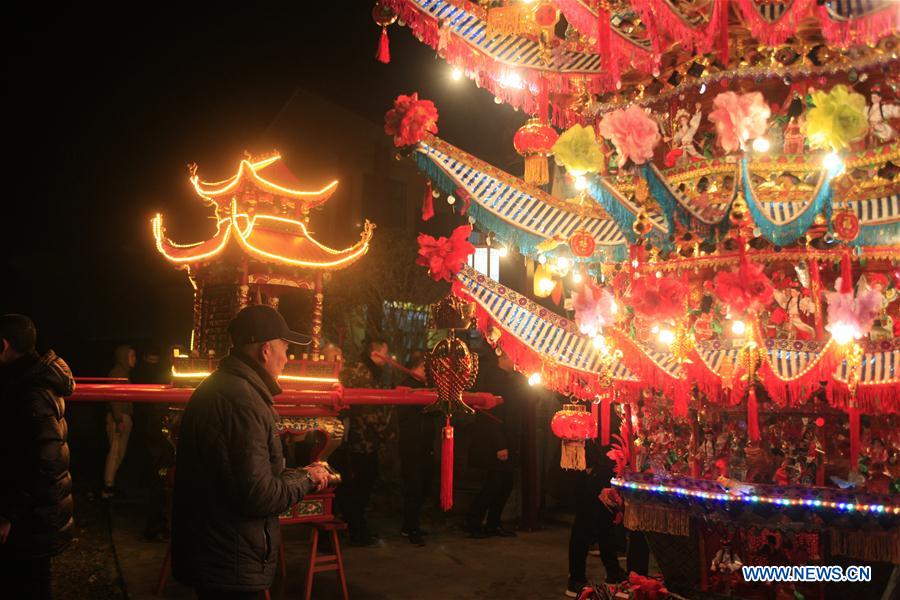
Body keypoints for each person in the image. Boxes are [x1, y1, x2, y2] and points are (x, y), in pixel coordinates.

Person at [172, 304, 334, 599]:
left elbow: (249, 475)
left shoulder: (228, 388)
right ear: (265, 350)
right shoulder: (242, 401)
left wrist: (299, 474)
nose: (287, 358)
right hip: (229, 558)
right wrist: (308, 480)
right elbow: (258, 495)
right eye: (285, 348)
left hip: (218, 551)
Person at [0, 314, 75, 600]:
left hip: (29, 519)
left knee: (26, 584)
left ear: (3, 344)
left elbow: (44, 460)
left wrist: (8, 512)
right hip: (34, 513)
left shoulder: (29, 391)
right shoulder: (30, 381)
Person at [336, 338, 395, 546]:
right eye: (385, 354)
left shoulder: (364, 371)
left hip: (360, 438)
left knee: (361, 484)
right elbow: (369, 409)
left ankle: (355, 525)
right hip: (361, 439)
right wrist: (384, 432)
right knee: (361, 484)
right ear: (375, 354)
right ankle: (356, 528)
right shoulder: (363, 373)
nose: (388, 359)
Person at [465, 349, 519, 538]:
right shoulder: (494, 379)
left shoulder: (504, 378)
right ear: (502, 357)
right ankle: (474, 521)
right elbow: (492, 415)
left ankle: (492, 523)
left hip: (503, 437)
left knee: (504, 483)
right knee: (494, 483)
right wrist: (500, 444)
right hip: (494, 440)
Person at [396, 351, 435, 546]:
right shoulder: (406, 386)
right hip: (411, 444)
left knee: (424, 486)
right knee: (414, 487)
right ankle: (411, 528)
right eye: (424, 368)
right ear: (415, 368)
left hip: (425, 444)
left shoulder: (427, 387)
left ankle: (412, 524)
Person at [102, 344, 135, 498]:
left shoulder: (124, 374)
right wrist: (118, 418)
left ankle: (110, 485)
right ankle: (108, 486)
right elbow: (114, 397)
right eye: (131, 356)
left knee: (118, 452)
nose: (134, 359)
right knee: (115, 451)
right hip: (119, 417)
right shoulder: (118, 374)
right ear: (124, 357)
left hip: (121, 416)